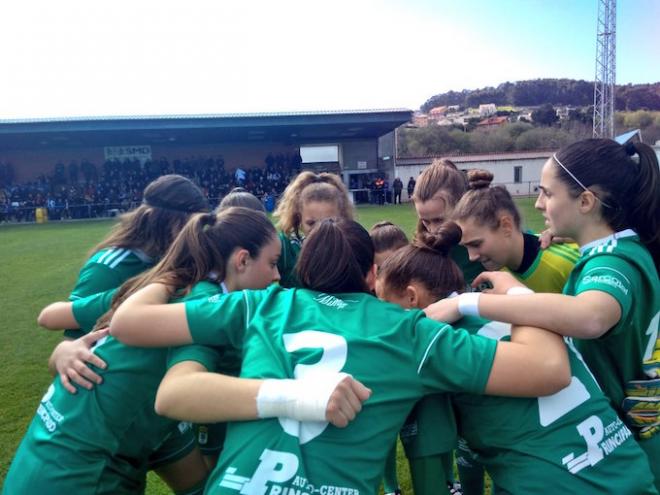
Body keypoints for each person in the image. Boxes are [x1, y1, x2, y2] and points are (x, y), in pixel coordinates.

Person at [109, 218, 573, 495]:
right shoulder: (410, 330)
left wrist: (175, 272)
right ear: (372, 274)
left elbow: (130, 324)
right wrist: (508, 292)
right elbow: (550, 370)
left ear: (299, 266)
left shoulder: (259, 304)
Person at [426, 138, 660, 490]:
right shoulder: (617, 249)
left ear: (585, 201)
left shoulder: (614, 260)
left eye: (547, 193)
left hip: (637, 436)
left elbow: (590, 317)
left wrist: (466, 303)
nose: (537, 204)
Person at [3, 207, 281, 495]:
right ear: (243, 260)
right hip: (82, 476)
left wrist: (63, 349)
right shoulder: (206, 313)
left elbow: (56, 317)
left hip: (41, 459)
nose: (277, 276)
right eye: (272, 263)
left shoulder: (155, 285)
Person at [375, 224, 657, 494]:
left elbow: (429, 468)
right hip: (626, 466)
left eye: (384, 303)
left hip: (557, 484)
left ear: (411, 297)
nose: (382, 315)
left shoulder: (437, 341)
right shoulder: (519, 311)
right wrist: (516, 291)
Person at [47, 174, 208, 395]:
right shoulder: (109, 267)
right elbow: (72, 344)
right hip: (108, 394)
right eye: (189, 224)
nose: (195, 233)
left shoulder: (176, 257)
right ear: (164, 220)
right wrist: (63, 354)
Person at [453, 169, 579, 291]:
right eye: (466, 246)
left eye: (476, 244)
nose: (471, 257)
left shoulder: (565, 264)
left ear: (506, 226)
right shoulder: (498, 270)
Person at [272, 171, 354, 287]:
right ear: (299, 218)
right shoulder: (285, 246)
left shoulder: (351, 246)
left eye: (329, 222)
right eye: (311, 223)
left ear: (342, 217)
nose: (319, 230)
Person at [412, 158, 482, 285]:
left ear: (462, 205)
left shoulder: (489, 242)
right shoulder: (421, 247)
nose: (432, 230)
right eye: (425, 221)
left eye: (439, 220)